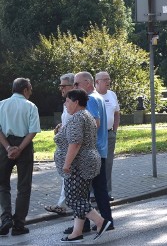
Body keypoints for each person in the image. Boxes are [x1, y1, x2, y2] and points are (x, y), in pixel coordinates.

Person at [55, 89, 111, 242]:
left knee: (73, 199)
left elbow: (75, 143)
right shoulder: (86, 115)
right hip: (88, 161)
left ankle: (100, 222)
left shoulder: (77, 118)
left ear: (76, 102)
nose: (65, 104)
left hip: (79, 164)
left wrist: (67, 164)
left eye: (67, 101)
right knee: (81, 198)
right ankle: (76, 233)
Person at [67, 72, 114, 234]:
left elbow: (95, 122)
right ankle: (105, 220)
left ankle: (90, 224)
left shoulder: (91, 99)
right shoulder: (97, 97)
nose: (75, 87)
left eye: (77, 84)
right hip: (99, 150)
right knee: (98, 189)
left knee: (82, 191)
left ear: (87, 83)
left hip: (92, 151)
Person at [0, 78, 41, 236]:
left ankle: (5, 218)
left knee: (2, 184)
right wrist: (20, 148)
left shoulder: (1, 105)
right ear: (25, 90)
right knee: (24, 186)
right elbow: (33, 131)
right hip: (24, 145)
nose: (31, 92)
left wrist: (8, 147)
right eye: (30, 89)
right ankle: (19, 224)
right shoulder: (31, 106)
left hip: (4, 145)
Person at [45, 73, 76, 216]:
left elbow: (77, 124)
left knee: (69, 176)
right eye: (60, 86)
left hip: (73, 146)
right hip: (66, 145)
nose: (61, 89)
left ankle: (67, 206)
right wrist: (61, 127)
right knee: (67, 177)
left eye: (64, 86)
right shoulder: (67, 102)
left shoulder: (76, 103)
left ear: (73, 85)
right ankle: (62, 205)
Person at [95, 71, 120, 200]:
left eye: (109, 79)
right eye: (105, 79)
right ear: (97, 82)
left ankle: (107, 192)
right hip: (96, 135)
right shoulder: (92, 96)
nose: (108, 82)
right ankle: (94, 193)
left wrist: (114, 130)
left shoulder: (112, 95)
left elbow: (116, 113)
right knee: (95, 163)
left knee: (108, 164)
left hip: (109, 134)